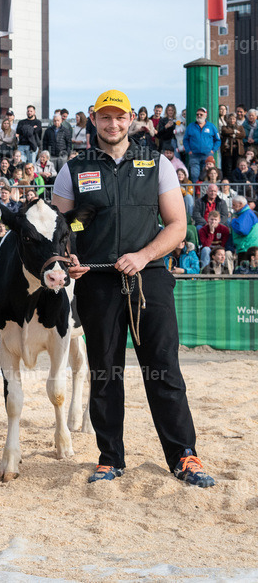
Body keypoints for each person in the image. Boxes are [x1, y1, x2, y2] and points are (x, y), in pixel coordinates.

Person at [53, 89, 216, 488]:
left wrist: (143, 256)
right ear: (94, 119)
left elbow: (178, 225)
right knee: (105, 373)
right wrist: (67, 259)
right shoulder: (73, 169)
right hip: (97, 281)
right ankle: (110, 458)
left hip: (149, 279)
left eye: (120, 117)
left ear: (131, 120)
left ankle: (184, 456)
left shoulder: (155, 162)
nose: (113, 124)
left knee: (163, 369)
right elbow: (58, 231)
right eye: (105, 118)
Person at [184, 107, 220, 182]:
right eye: (197, 114)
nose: (199, 116)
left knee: (207, 174)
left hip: (207, 155)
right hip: (194, 155)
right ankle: (196, 192)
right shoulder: (191, 126)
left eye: (201, 114)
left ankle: (205, 191)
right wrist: (189, 150)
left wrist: (213, 150)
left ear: (205, 115)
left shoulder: (211, 126)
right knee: (194, 175)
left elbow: (218, 140)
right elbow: (185, 139)